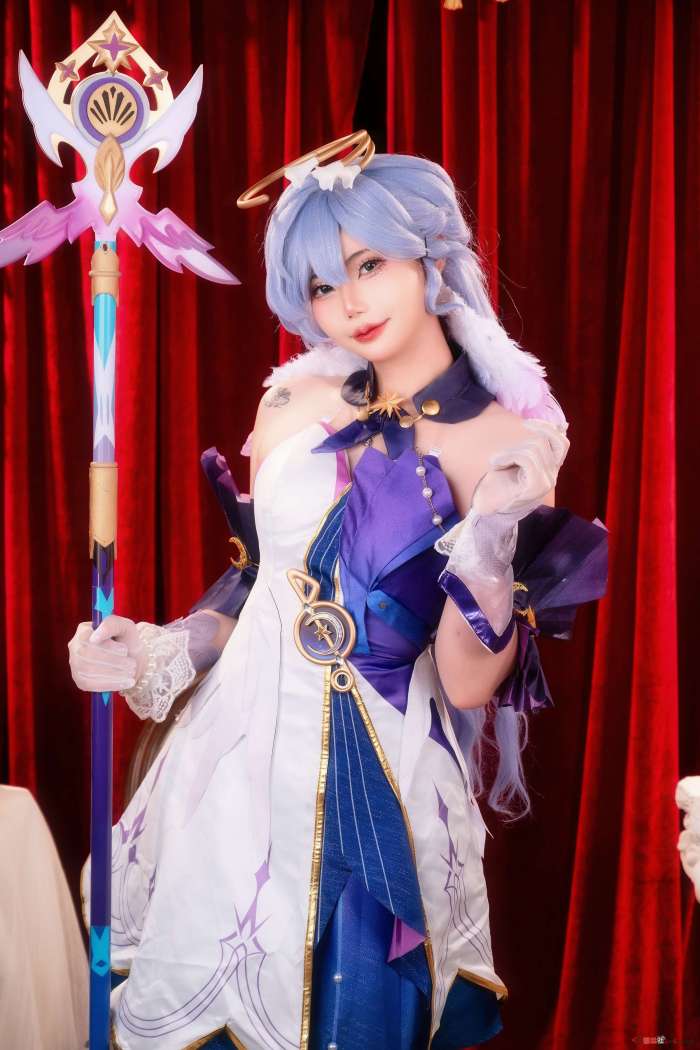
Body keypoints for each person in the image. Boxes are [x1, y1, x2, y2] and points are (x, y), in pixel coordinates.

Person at [68, 135, 607, 1050]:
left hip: (382, 778)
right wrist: (155, 650)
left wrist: (489, 537)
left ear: (432, 259)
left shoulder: (503, 442)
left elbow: (468, 681)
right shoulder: (294, 402)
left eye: (369, 266)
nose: (347, 303)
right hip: (235, 769)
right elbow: (257, 582)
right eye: (322, 283)